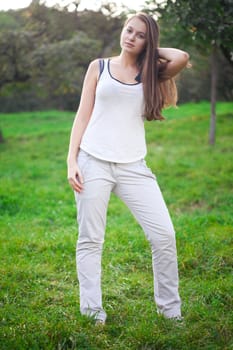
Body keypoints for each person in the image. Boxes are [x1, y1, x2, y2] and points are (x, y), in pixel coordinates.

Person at [67, 12, 189, 325]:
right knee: (91, 240)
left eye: (139, 35)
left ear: (148, 42)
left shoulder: (152, 72)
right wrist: (72, 161)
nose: (130, 37)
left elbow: (182, 57)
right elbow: (82, 115)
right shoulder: (99, 67)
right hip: (92, 160)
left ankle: (171, 312)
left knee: (164, 235)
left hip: (134, 166)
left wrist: (151, 51)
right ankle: (92, 312)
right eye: (128, 30)